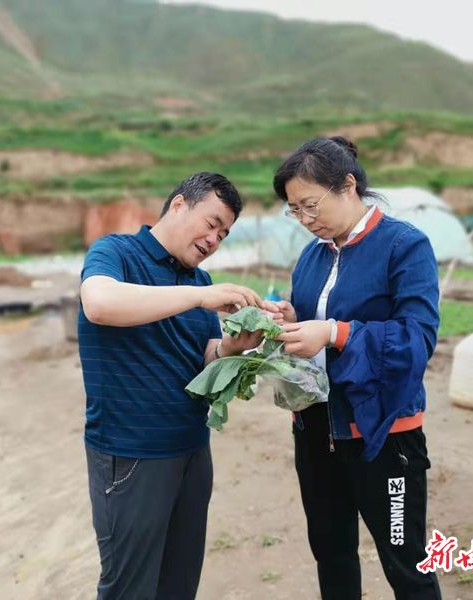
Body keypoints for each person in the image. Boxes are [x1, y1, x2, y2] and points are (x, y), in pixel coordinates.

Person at [78, 172, 267, 600]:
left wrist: (233, 347)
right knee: (130, 588)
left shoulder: (198, 280)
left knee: (178, 584)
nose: (214, 239)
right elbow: (100, 304)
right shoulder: (117, 253)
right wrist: (200, 298)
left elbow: (201, 359)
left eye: (224, 233)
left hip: (191, 454)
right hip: (132, 455)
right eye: (212, 223)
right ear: (179, 205)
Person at [271, 137, 442, 599]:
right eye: (295, 211)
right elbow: (312, 331)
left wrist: (333, 333)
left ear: (348, 185)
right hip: (314, 428)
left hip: (384, 432)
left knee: (406, 562)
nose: (305, 220)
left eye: (310, 205)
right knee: (332, 554)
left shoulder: (403, 246)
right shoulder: (313, 255)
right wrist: (292, 321)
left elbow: (416, 339)